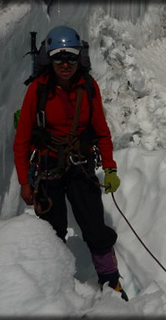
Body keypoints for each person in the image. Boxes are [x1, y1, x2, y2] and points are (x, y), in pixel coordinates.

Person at [13, 26, 127, 301]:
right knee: (53, 232)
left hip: (80, 167)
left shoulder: (88, 88)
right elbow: (22, 140)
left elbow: (101, 131)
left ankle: (111, 281)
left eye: (71, 58)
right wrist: (24, 182)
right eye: (59, 58)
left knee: (95, 228)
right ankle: (56, 286)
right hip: (48, 168)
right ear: (50, 59)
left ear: (80, 58)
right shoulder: (38, 91)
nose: (65, 64)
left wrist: (110, 168)